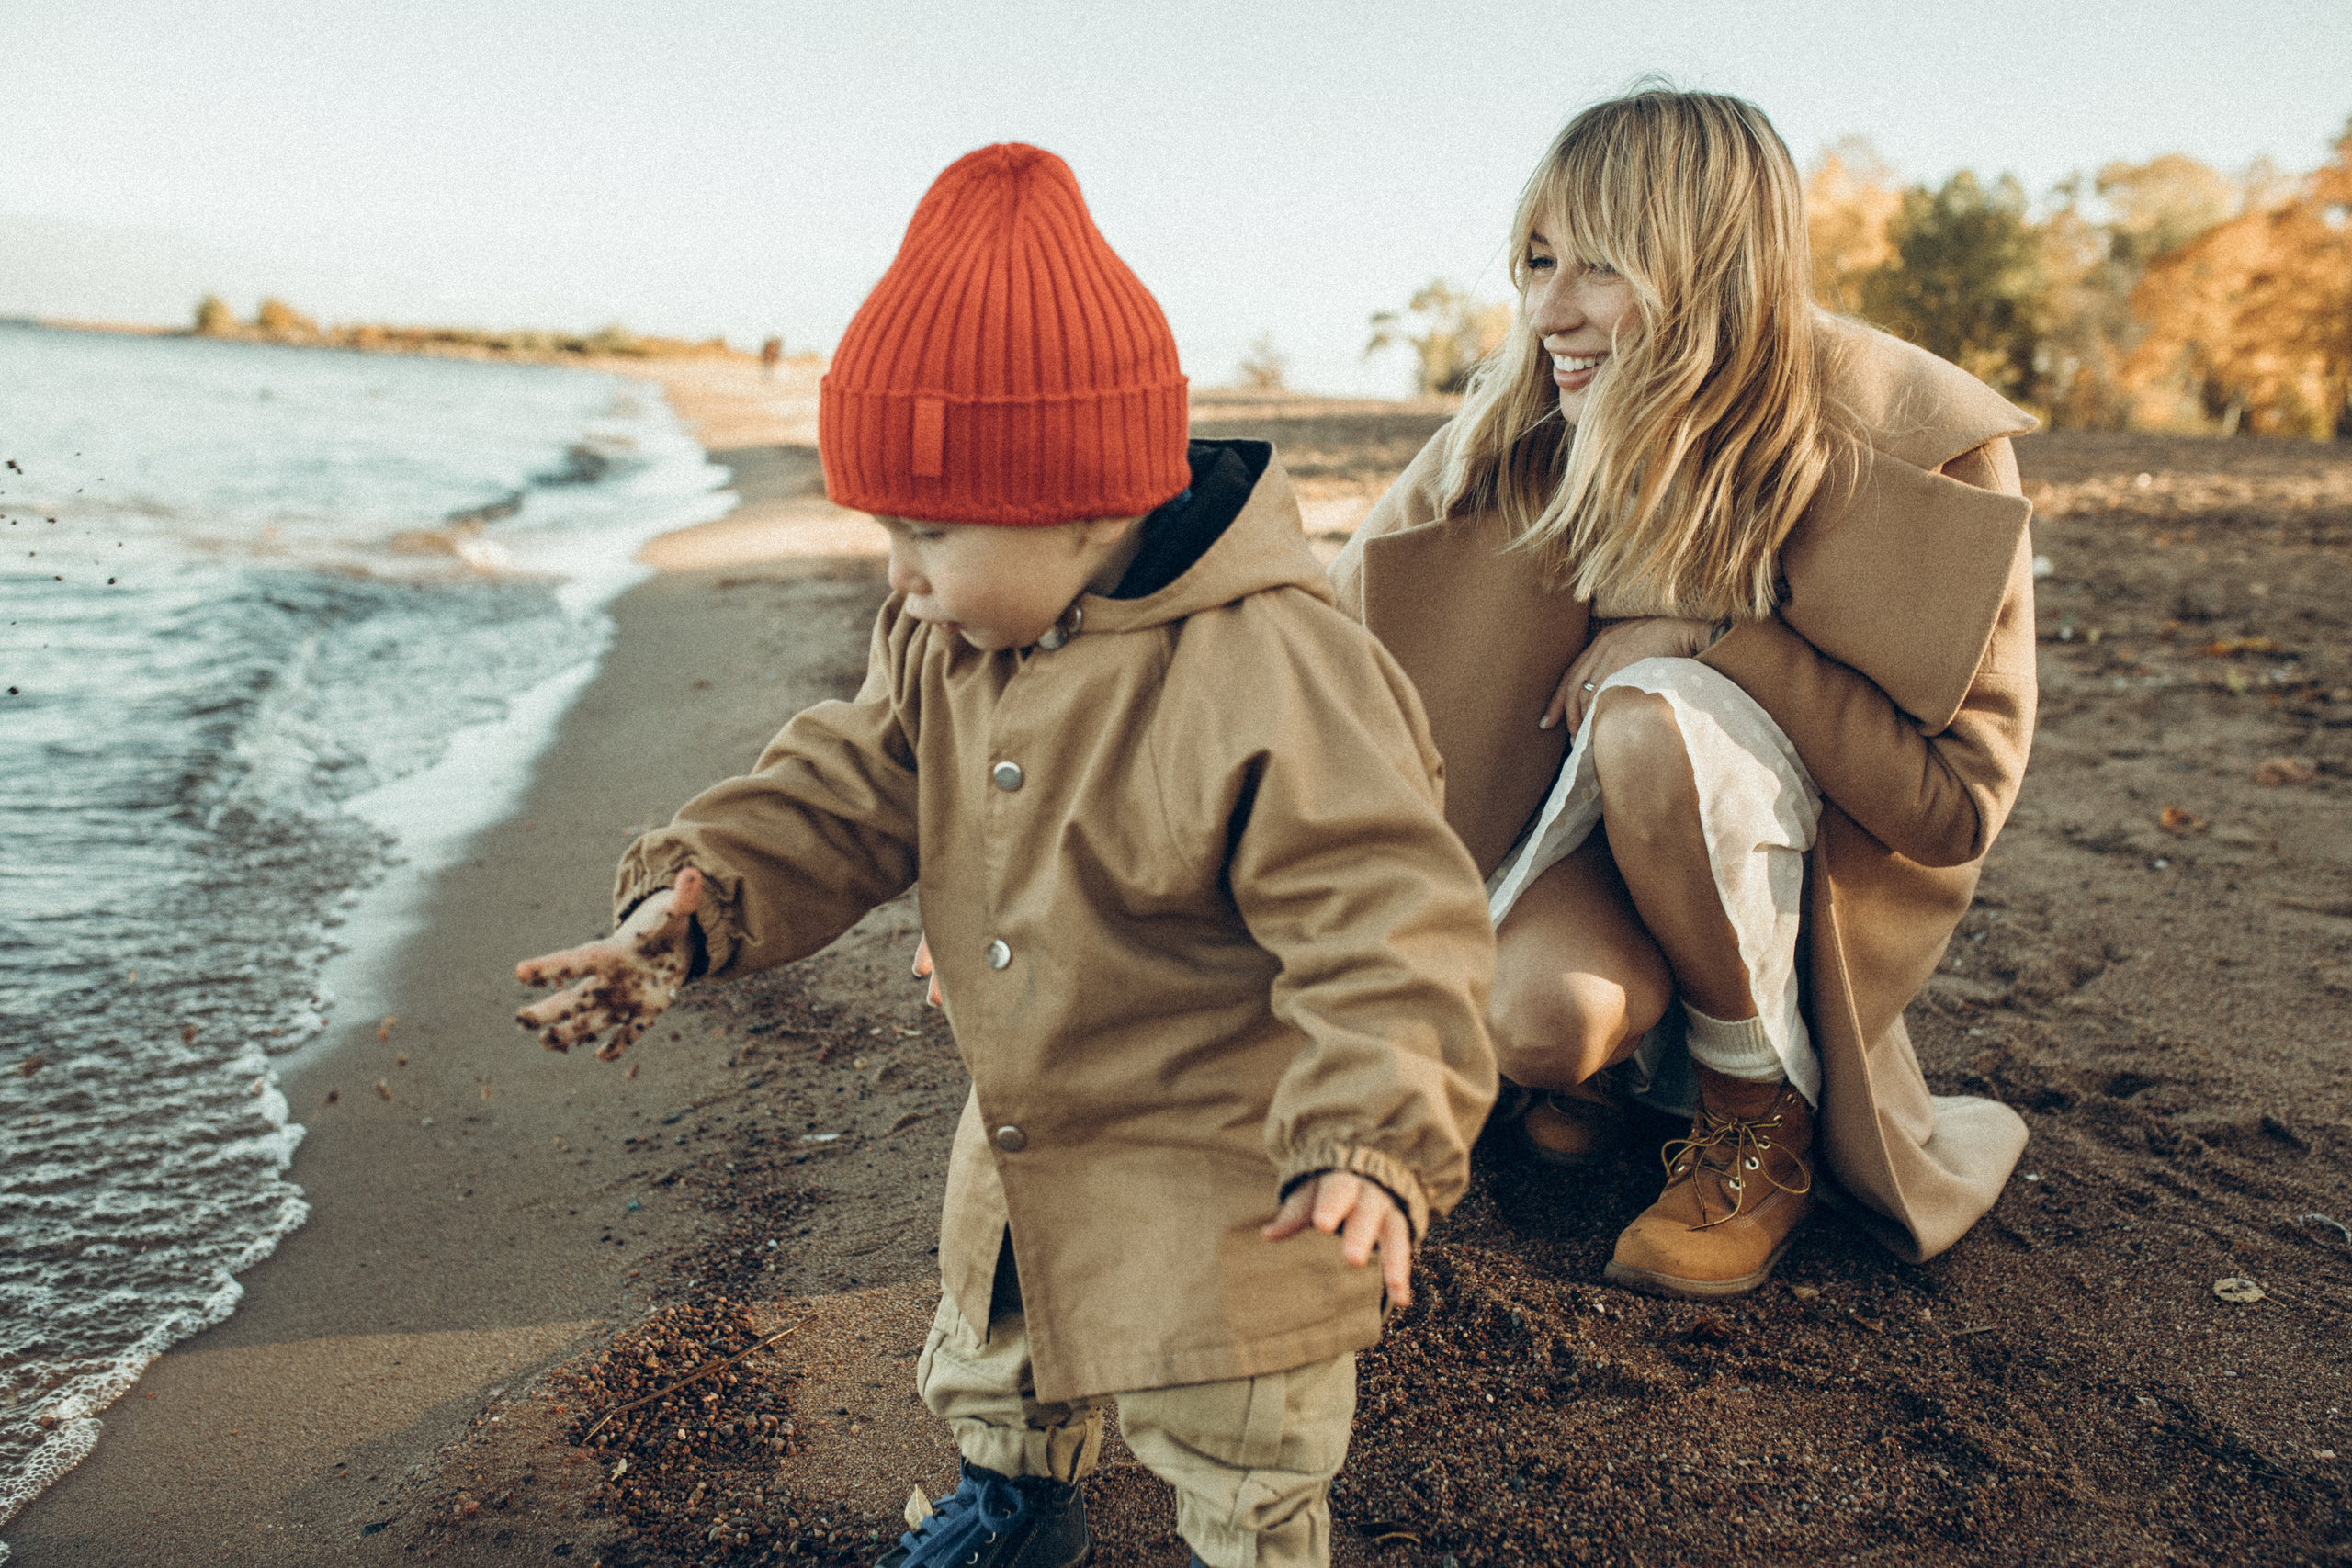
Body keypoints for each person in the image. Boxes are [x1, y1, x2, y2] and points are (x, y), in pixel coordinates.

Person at [514, 143, 1498, 1568]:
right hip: (1034, 1096)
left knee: (1240, 1427)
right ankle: (1018, 1508)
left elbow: (1392, 919)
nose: (898, 576)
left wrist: (1371, 1134)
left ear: (1079, 502)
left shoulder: (1274, 670)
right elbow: (847, 786)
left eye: (925, 532)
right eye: (884, 534)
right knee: (997, 1339)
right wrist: (695, 902)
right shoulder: (948, 635)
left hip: (1230, 1150)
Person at [1331, 89, 2037, 1301]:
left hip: (1784, 891)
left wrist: (1717, 639)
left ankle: (1757, 1117)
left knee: (1649, 716)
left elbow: (1953, 810)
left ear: (1713, 268)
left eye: (1600, 266)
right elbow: (1323, 655)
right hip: (1575, 848)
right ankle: (1610, 1067)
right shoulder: (1509, 432)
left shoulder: (1919, 444)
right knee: (1535, 1023)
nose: (1549, 312)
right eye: (1538, 261)